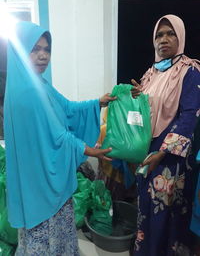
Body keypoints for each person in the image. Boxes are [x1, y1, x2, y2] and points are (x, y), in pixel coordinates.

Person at [3, 21, 116, 255]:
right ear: (21, 51)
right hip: (39, 179)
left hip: (42, 175)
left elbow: (67, 108)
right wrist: (89, 150)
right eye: (34, 49)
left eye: (47, 49)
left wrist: (97, 103)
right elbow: (56, 135)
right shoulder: (27, 92)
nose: (43, 56)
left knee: (54, 231)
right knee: (43, 233)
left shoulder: (39, 84)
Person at [130, 14, 200, 256]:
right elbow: (146, 112)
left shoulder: (189, 71)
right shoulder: (151, 74)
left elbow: (190, 115)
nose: (164, 39)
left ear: (179, 37)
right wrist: (137, 97)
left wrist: (161, 152)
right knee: (146, 205)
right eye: (159, 35)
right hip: (146, 149)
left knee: (164, 208)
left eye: (170, 33)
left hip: (170, 155)